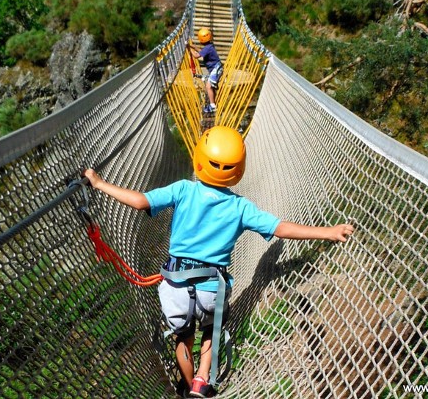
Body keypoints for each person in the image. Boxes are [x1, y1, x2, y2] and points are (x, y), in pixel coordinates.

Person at [82, 126, 355, 398]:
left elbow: (141, 201)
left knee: (183, 338)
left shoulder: (183, 190)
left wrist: (100, 183)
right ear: (238, 171)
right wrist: (327, 232)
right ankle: (203, 380)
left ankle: (188, 386)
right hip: (213, 291)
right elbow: (279, 228)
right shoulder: (240, 207)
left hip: (176, 288)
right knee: (212, 329)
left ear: (199, 159)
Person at [187, 28, 222, 114]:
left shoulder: (207, 48)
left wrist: (189, 49)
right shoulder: (209, 46)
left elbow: (196, 55)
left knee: (208, 86)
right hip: (216, 68)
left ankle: (212, 106)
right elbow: (200, 51)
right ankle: (213, 102)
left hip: (216, 69)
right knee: (210, 86)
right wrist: (190, 46)